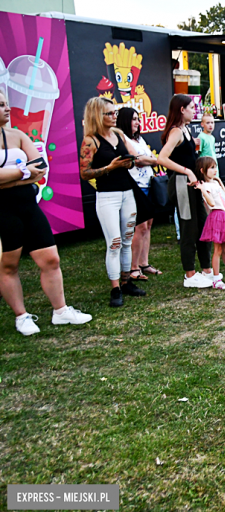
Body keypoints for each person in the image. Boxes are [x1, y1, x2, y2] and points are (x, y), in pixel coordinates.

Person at [0, 90, 92, 335]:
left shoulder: (17, 134)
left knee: (51, 259)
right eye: (1, 105)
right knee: (9, 264)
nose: (7, 109)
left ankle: (60, 311)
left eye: (7, 104)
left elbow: (40, 166)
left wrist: (12, 177)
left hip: (28, 205)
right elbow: (29, 171)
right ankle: (21, 316)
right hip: (3, 209)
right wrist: (22, 172)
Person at [79, 97, 149, 307]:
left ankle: (127, 281)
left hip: (127, 192)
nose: (114, 116)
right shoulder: (90, 141)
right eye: (109, 113)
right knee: (114, 243)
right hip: (107, 196)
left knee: (127, 239)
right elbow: (85, 173)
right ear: (97, 116)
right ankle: (115, 288)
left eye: (114, 112)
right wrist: (110, 167)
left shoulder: (118, 134)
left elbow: (133, 158)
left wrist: (128, 163)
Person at [157, 94, 214, 288]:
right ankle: (190, 275)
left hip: (192, 184)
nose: (194, 110)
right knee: (189, 228)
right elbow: (162, 158)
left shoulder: (186, 129)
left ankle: (207, 269)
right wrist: (187, 171)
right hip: (181, 183)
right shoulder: (176, 132)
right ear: (182, 109)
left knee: (202, 225)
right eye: (191, 107)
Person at [117, 107, 162, 281]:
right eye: (134, 119)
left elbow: (148, 157)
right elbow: (139, 160)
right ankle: (133, 267)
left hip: (148, 184)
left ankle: (144, 262)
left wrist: (149, 159)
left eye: (138, 119)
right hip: (135, 186)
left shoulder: (139, 139)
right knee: (140, 226)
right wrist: (151, 160)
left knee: (148, 225)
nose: (137, 122)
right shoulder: (123, 138)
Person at [193, 157, 225, 289]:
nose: (215, 170)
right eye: (211, 168)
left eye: (215, 167)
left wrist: (218, 180)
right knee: (218, 249)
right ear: (203, 170)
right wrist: (202, 189)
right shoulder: (205, 186)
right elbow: (211, 203)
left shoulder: (214, 183)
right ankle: (216, 278)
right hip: (218, 216)